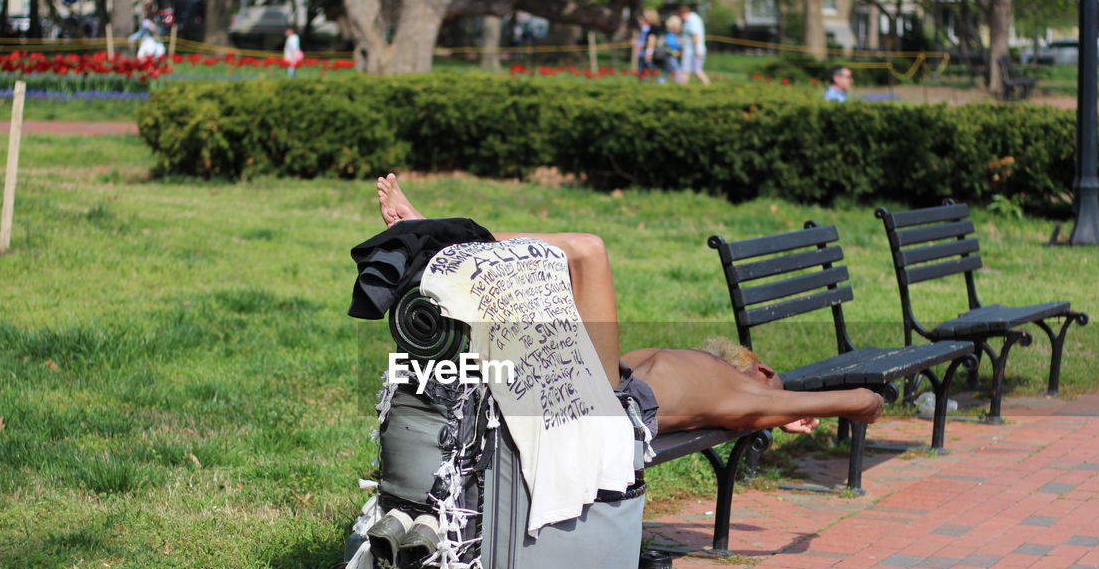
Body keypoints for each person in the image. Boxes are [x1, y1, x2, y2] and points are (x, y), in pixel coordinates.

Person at [374, 174, 884, 436]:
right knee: (567, 261)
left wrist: (788, 409)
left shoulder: (745, 399)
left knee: (587, 250)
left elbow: (862, 401)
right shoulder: (726, 387)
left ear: (763, 369)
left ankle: (437, 241)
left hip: (603, 405)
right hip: (595, 387)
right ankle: (440, 244)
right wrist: (786, 410)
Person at [677, 4, 710, 86]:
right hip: (691, 50)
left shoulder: (692, 20)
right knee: (691, 71)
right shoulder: (692, 19)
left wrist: (697, 49)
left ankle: (681, 89)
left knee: (692, 71)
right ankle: (707, 86)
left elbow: (696, 35)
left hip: (693, 51)